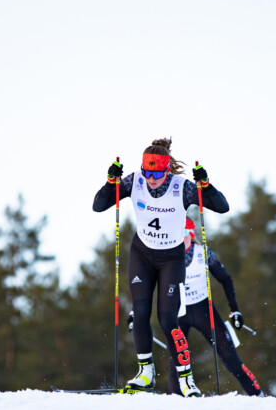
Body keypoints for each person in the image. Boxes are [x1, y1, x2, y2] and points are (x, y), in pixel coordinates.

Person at [93, 138, 229, 396]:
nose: (151, 178)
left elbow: (222, 207)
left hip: (171, 259)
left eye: (157, 173)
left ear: (167, 170)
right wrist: (111, 182)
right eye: (147, 172)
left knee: (168, 319)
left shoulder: (183, 188)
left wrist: (206, 185)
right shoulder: (135, 182)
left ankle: (186, 380)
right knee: (141, 312)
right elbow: (99, 205)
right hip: (142, 255)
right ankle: (145, 373)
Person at [166, 217, 262, 396]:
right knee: (177, 359)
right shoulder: (166, 256)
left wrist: (235, 310)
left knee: (230, 356)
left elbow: (225, 279)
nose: (180, 239)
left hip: (203, 310)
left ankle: (257, 393)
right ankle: (176, 400)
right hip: (179, 312)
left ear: (191, 234)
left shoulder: (203, 253)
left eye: (183, 234)